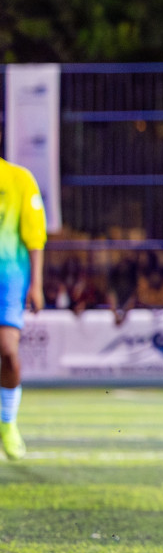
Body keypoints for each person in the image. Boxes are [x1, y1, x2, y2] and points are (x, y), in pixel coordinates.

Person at [0, 142, 46, 461]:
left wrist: (37, 284)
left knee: (7, 352)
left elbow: (34, 235)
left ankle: (7, 422)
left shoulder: (19, 179)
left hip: (9, 278)